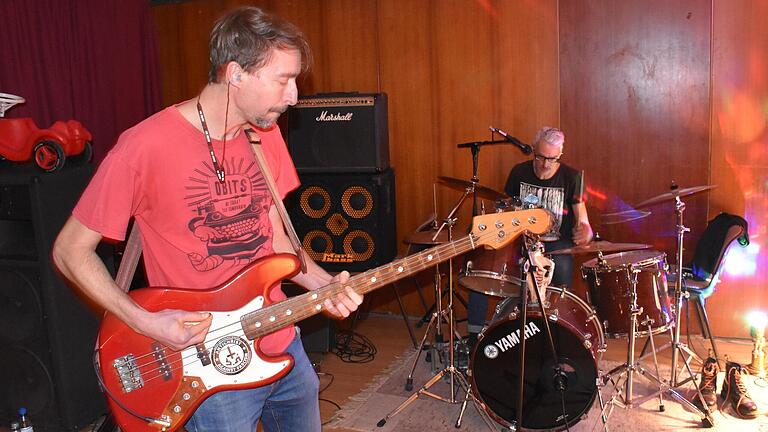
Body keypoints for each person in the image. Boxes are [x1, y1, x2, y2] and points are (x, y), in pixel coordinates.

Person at [52, 7, 362, 432]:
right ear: (235, 73)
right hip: (207, 365)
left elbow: (275, 240)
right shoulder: (143, 147)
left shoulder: (264, 135)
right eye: (282, 80)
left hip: (281, 339)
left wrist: (326, 287)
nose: (293, 96)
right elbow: (70, 251)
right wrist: (146, 322)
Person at [466, 126, 593, 345]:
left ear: (560, 154)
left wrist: (585, 232)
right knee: (482, 267)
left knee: (562, 266)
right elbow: (505, 211)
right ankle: (474, 338)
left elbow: (584, 222)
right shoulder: (519, 172)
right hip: (520, 243)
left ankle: (555, 334)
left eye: (552, 159)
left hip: (555, 246)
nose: (545, 163)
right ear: (533, 149)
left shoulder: (573, 177)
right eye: (541, 156)